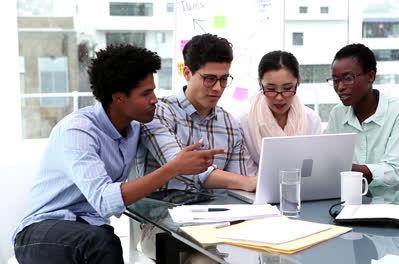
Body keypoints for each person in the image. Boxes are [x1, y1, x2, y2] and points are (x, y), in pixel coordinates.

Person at [12, 45, 223, 264]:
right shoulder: (78, 131)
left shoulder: (137, 126)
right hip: (40, 231)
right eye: (146, 93)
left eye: (153, 90)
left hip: (92, 230)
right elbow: (104, 200)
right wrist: (173, 168)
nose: (155, 99)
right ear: (119, 98)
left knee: (110, 239)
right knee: (101, 242)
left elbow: (170, 143)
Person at [137, 33, 256, 259]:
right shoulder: (159, 112)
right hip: (162, 224)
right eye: (209, 78)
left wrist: (247, 186)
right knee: (206, 258)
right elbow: (181, 166)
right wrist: (249, 182)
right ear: (187, 73)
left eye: (224, 79)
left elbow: (236, 190)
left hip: (218, 221)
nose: (218, 88)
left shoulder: (230, 124)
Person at [324, 43, 399, 197]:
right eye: (336, 80)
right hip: (357, 203)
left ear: (370, 76)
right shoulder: (337, 114)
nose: (340, 87)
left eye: (348, 78)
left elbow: (393, 171)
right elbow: (324, 156)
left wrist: (343, 169)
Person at [239, 50, 322, 176]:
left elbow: (314, 166)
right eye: (271, 89)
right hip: (255, 191)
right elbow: (247, 172)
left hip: (302, 190)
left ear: (298, 83)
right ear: (260, 84)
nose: (279, 97)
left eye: (287, 89)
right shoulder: (244, 121)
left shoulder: (310, 119)